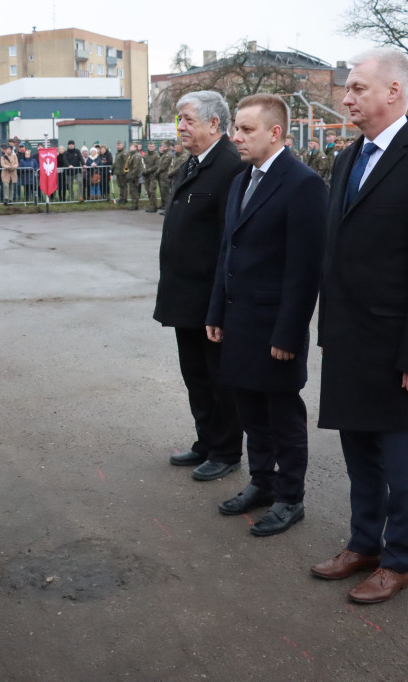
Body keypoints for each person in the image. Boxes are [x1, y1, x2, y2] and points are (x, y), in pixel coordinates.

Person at [310, 47, 408, 604]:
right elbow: (338, 252)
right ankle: (364, 543)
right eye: (347, 89)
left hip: (400, 346)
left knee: (402, 457)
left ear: (393, 92)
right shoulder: (347, 158)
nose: (346, 98)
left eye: (355, 88)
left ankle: (399, 560)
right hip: (352, 341)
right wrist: (329, 335)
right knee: (359, 453)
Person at [205, 94, 327, 536]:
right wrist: (217, 309)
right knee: (250, 409)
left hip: (275, 327)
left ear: (275, 133)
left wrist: (288, 334)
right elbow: (227, 252)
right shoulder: (243, 179)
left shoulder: (303, 184)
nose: (236, 136)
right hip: (239, 322)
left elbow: (304, 270)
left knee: (282, 416)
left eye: (246, 129)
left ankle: (290, 497)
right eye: (236, 128)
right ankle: (262, 482)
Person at [154, 90, 246, 482]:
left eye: (188, 119)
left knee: (218, 378)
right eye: (180, 120)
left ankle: (225, 450)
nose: (181, 127)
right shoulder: (194, 163)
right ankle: (206, 441)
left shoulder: (229, 166)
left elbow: (232, 239)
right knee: (195, 374)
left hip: (211, 297)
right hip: (185, 295)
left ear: (214, 124)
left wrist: (221, 303)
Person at [142, 141, 161, 212]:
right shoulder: (145, 155)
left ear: (154, 147)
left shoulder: (156, 155)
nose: (151, 148)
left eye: (152, 146)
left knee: (152, 190)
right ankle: (151, 205)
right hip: (146, 176)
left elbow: (157, 165)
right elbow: (143, 164)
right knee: (148, 191)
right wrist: (144, 170)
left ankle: (155, 206)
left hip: (153, 175)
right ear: (148, 147)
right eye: (150, 146)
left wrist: (148, 170)